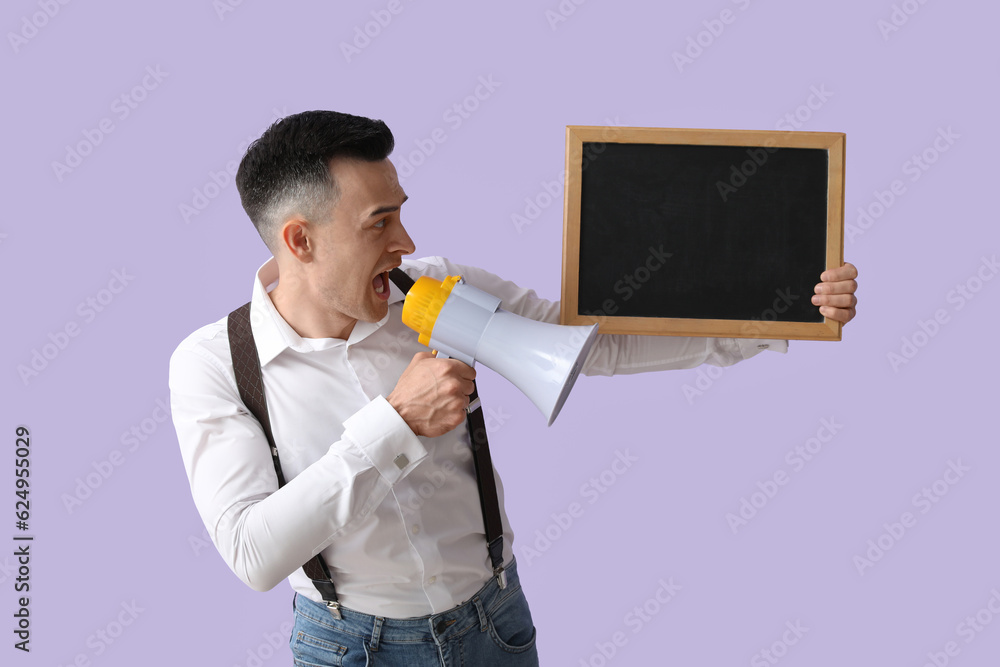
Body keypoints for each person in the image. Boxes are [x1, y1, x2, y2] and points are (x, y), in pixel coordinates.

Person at [168, 110, 858, 666]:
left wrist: (779, 310)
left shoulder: (436, 289)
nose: (405, 241)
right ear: (300, 240)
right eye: (379, 222)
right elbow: (253, 552)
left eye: (401, 212)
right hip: (350, 648)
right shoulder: (215, 364)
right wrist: (396, 422)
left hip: (493, 626)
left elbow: (595, 344)